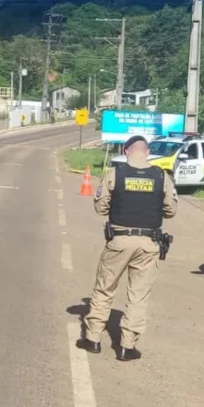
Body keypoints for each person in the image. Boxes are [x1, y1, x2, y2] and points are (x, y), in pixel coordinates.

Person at [77, 135, 178, 361]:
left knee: (105, 288)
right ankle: (127, 346)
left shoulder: (115, 174)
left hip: (119, 241)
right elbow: (171, 211)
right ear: (148, 152)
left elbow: (100, 208)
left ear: (125, 151)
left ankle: (93, 339)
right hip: (149, 244)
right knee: (138, 295)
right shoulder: (162, 177)